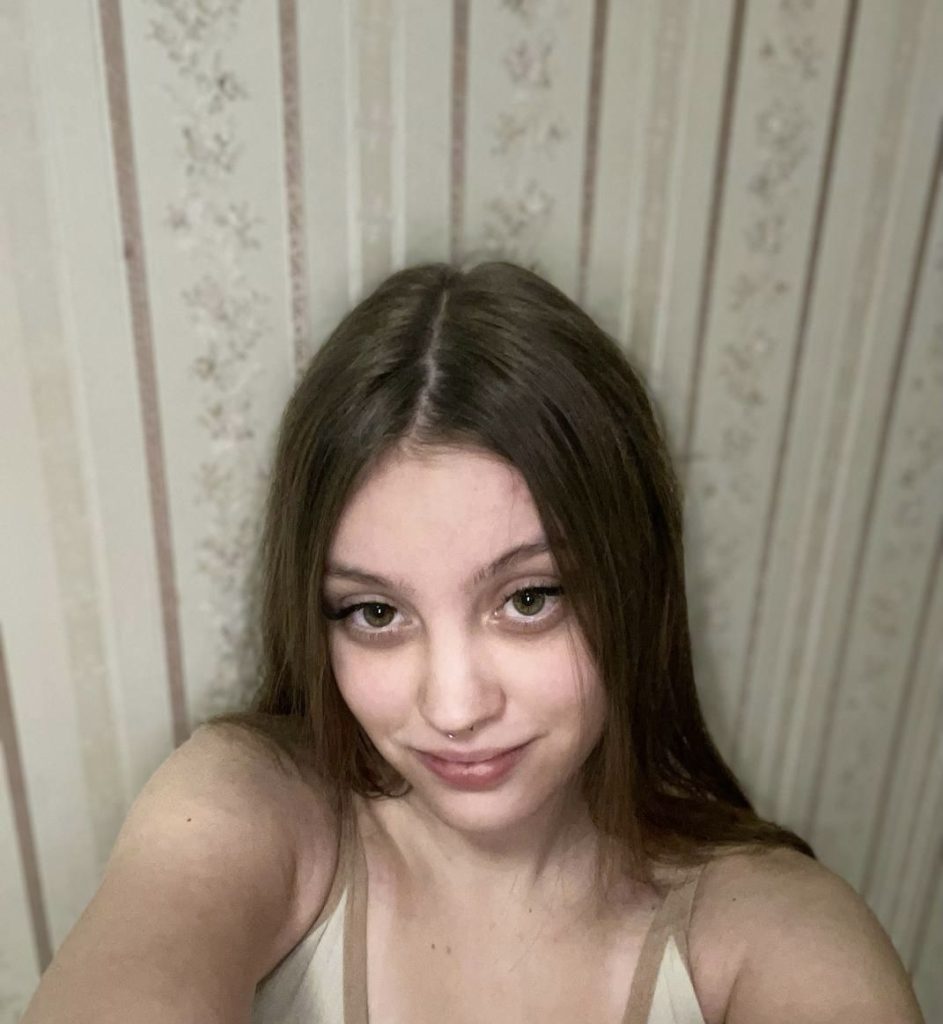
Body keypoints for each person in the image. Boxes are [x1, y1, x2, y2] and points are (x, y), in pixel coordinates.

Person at [22, 262, 923, 1023]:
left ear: (632, 585)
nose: (454, 708)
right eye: (375, 614)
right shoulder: (253, 806)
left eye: (529, 599)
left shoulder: (771, 932)